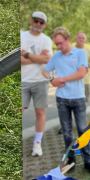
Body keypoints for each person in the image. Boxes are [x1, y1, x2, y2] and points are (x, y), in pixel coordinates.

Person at [42, 27, 90, 175]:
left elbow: (81, 74)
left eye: (61, 43)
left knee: (82, 130)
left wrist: (60, 79)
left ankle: (88, 160)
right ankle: (71, 159)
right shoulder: (56, 56)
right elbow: (45, 70)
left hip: (78, 98)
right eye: (57, 44)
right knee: (67, 132)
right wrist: (51, 79)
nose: (59, 46)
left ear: (68, 40)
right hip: (62, 99)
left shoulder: (80, 53)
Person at [22, 11, 53, 157]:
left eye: (41, 22)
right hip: (23, 80)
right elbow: (18, 60)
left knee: (40, 112)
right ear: (31, 21)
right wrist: (39, 57)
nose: (38, 24)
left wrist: (26, 54)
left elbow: (47, 60)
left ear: (45, 25)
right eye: (36, 21)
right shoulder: (22, 36)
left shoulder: (46, 40)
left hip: (40, 80)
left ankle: (37, 143)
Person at [75, 32, 90, 102]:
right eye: (79, 38)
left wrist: (85, 66)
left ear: (85, 40)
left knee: (84, 103)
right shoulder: (70, 50)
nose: (81, 40)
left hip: (85, 81)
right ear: (75, 39)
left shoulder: (88, 51)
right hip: (72, 82)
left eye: (83, 38)